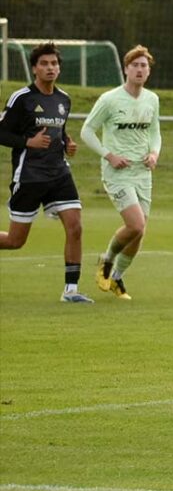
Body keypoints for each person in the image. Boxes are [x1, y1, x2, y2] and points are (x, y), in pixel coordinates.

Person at [0, 42, 91, 303]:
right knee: (16, 241)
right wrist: (27, 142)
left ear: (59, 68)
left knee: (75, 226)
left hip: (59, 174)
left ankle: (71, 291)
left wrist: (67, 143)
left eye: (54, 63)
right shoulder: (22, 99)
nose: (50, 68)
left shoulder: (64, 100)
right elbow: (2, 132)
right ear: (34, 69)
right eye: (44, 64)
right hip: (29, 176)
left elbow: (59, 131)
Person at [79, 45, 162, 301]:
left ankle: (116, 277)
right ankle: (106, 260)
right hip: (117, 173)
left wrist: (154, 153)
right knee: (135, 224)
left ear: (148, 71)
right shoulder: (110, 99)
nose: (139, 69)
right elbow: (87, 131)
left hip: (142, 172)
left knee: (139, 231)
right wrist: (109, 156)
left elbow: (154, 132)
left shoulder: (152, 99)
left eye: (143, 66)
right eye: (134, 65)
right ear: (126, 69)